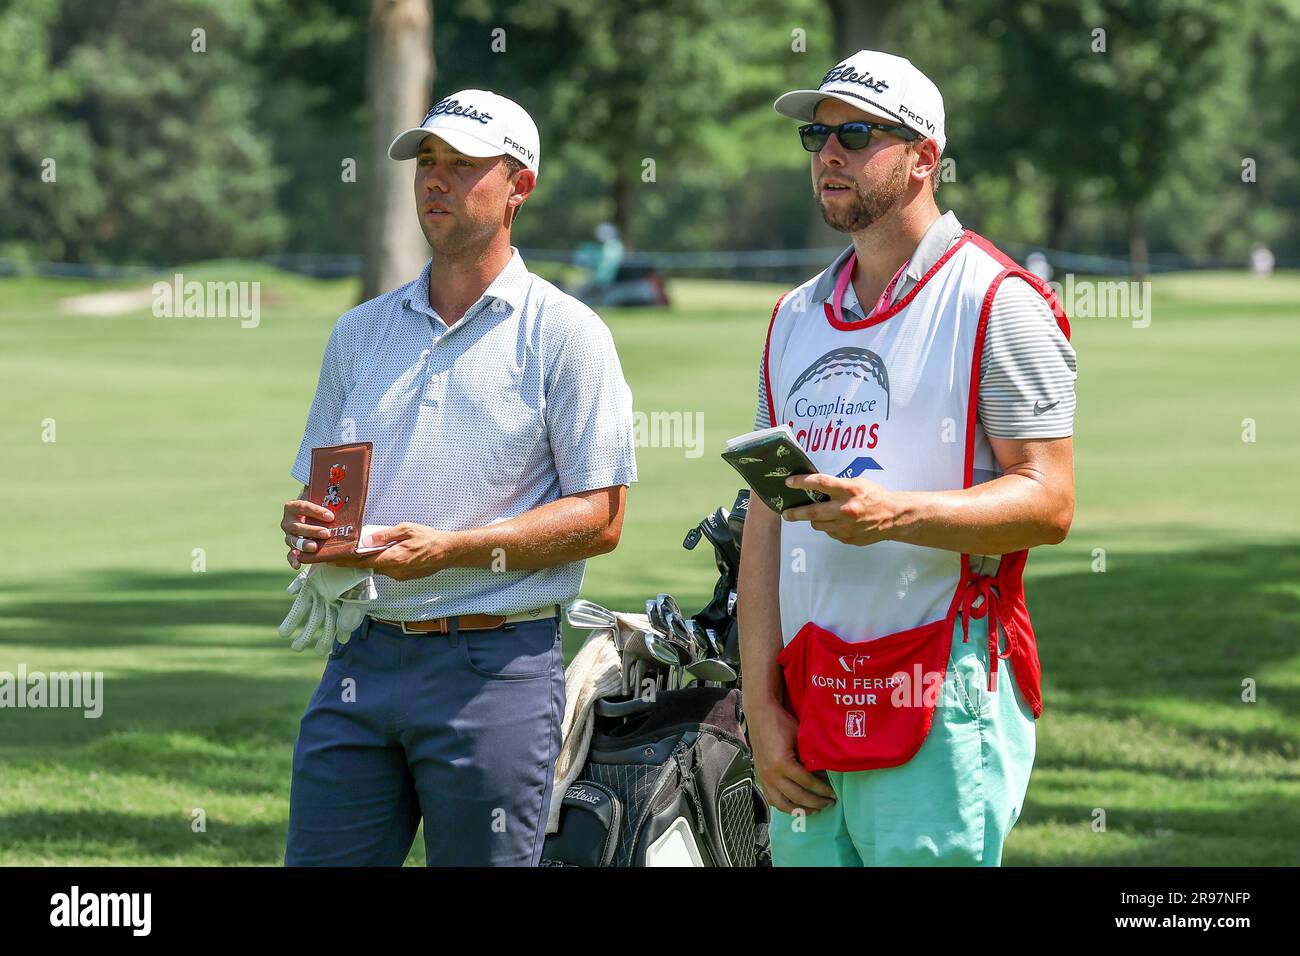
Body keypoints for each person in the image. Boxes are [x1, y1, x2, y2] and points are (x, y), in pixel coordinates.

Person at [278, 90, 638, 866]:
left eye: (464, 166)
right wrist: (310, 527)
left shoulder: (568, 335)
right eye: (427, 164)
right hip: (362, 657)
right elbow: (325, 491)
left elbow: (601, 519)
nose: (435, 181)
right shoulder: (359, 332)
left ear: (520, 187)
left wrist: (453, 550)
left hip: (496, 670)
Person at [738, 51, 1078, 866]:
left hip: (943, 689)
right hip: (811, 694)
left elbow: (1051, 500)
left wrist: (896, 517)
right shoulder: (793, 316)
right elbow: (765, 517)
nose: (829, 153)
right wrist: (760, 704)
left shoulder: (1001, 301)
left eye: (855, 133)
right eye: (817, 137)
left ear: (924, 157)